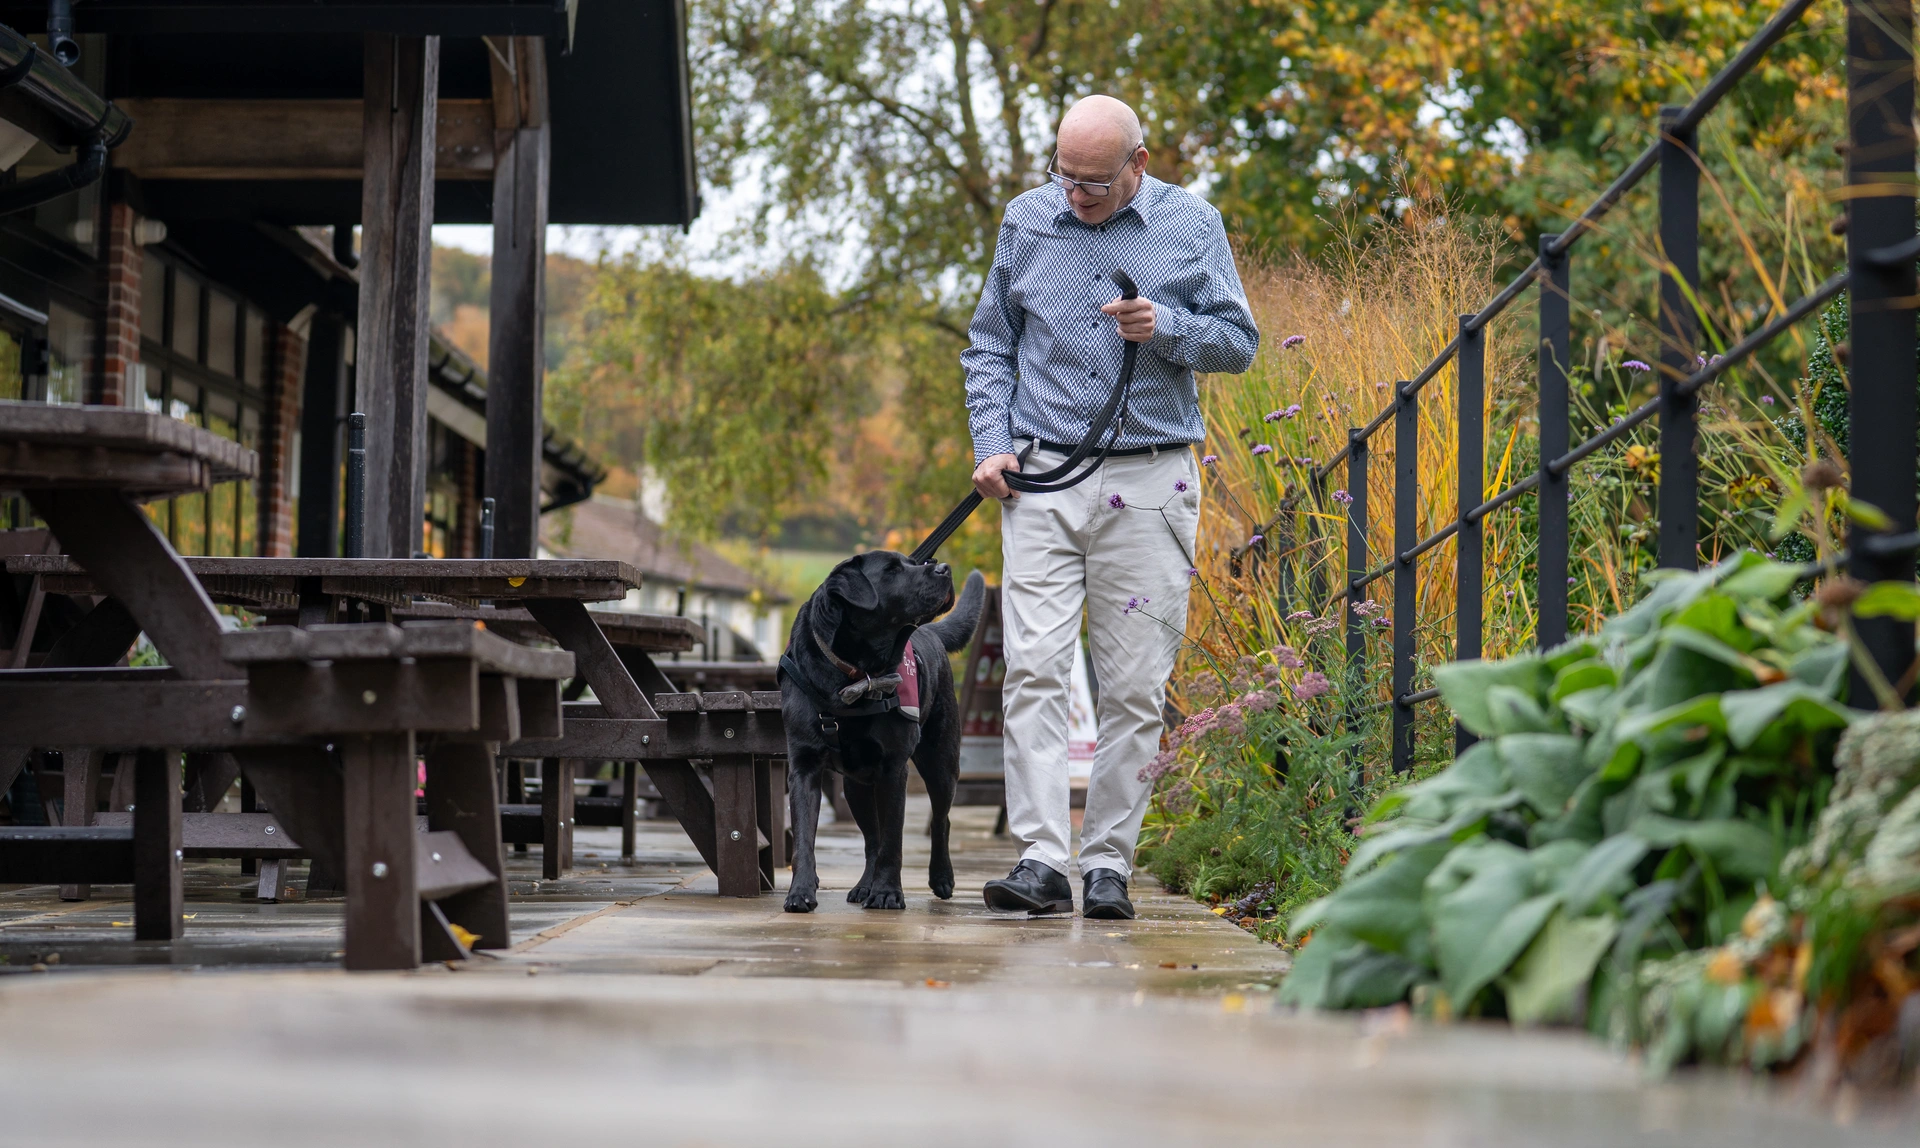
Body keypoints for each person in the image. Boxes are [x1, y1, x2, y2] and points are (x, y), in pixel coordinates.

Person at [962, 95, 1259, 919]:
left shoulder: (1193, 225)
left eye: (1094, 182)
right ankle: (1040, 858)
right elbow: (991, 341)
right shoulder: (1027, 222)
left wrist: (1164, 327)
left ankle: (1109, 865)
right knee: (1034, 670)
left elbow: (1239, 343)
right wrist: (993, 442)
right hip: (1045, 478)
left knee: (1134, 683)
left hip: (1152, 479)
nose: (1077, 197)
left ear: (1139, 161)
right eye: (1065, 176)